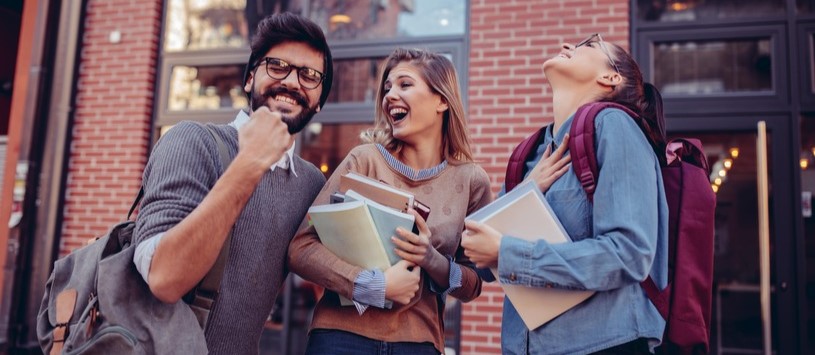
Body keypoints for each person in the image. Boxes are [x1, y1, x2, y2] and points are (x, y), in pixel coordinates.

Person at [132, 13, 333, 354]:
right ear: (250, 78)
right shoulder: (192, 141)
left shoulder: (311, 182)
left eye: (310, 75)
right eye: (278, 65)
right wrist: (251, 161)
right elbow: (163, 278)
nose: (293, 82)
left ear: (319, 101)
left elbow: (327, 277)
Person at [462, 33, 670, 354]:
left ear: (610, 77)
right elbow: (476, 253)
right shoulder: (532, 151)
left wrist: (509, 254)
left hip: (604, 345)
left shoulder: (614, 125)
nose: (567, 46)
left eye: (588, 45)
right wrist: (528, 189)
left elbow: (630, 253)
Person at [287, 48, 493, 355]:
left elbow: (474, 283)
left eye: (405, 85)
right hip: (342, 337)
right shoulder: (364, 160)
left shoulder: (471, 181)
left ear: (441, 101)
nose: (390, 96)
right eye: (387, 88)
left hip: (418, 342)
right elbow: (301, 249)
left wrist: (432, 260)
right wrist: (371, 285)